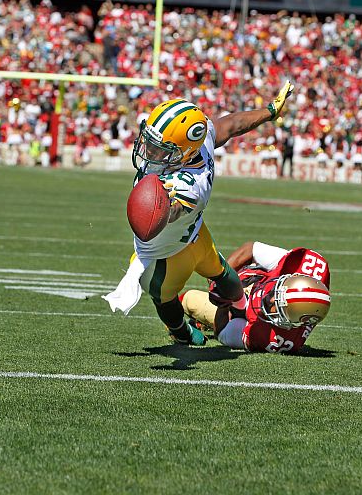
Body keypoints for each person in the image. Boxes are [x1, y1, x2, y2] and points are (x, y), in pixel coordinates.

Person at [104, 82, 295, 346]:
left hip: (165, 256)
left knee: (166, 295)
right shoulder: (199, 142)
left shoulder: (190, 186)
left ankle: (197, 326)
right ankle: (195, 326)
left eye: (161, 149)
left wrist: (155, 208)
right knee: (223, 274)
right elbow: (232, 124)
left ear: (184, 151)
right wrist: (269, 111)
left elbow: (166, 213)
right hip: (195, 235)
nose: (149, 152)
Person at [180, 241, 331, 353]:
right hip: (252, 276)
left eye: (277, 306)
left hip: (239, 312)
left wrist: (223, 304)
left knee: (189, 300)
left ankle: (194, 323)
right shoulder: (302, 263)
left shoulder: (275, 339)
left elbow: (223, 332)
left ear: (289, 323)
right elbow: (251, 249)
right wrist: (221, 278)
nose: (270, 299)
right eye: (276, 293)